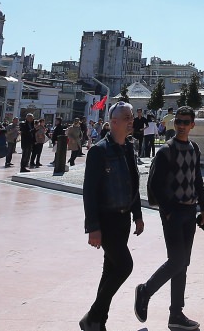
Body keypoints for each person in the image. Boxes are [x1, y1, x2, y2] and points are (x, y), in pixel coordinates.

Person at [134, 106, 204, 331]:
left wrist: (203, 210)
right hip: (173, 214)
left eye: (186, 122)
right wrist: (168, 211)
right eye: (178, 122)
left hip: (190, 211)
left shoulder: (194, 148)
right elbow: (155, 184)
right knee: (177, 260)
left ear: (193, 125)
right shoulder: (166, 150)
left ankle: (176, 314)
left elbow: (197, 179)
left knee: (183, 263)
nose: (181, 126)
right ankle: (145, 290)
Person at [80, 102, 144, 331]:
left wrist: (137, 215)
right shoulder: (99, 151)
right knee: (125, 266)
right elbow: (89, 192)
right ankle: (92, 316)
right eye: (127, 117)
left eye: (131, 116)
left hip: (123, 219)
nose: (131, 120)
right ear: (114, 122)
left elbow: (132, 184)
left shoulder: (129, 148)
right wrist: (93, 227)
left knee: (110, 270)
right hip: (106, 221)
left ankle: (99, 323)